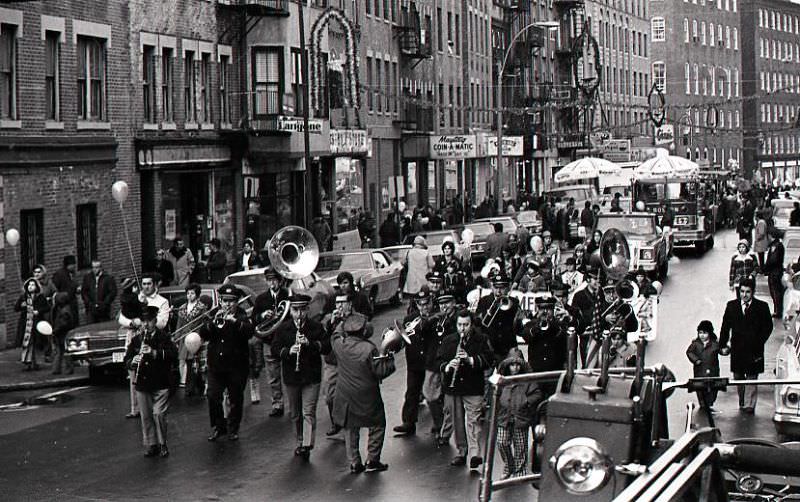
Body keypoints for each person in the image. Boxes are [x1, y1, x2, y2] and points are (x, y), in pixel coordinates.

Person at [332, 313, 395, 473]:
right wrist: (390, 359)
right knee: (377, 424)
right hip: (367, 395)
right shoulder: (369, 348)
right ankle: (372, 460)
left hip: (345, 395)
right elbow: (380, 371)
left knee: (350, 428)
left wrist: (342, 320)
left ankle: (354, 462)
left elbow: (335, 335)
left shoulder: (340, 345)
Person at [271, 294, 329, 461]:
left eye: (302, 310)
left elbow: (326, 346)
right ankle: (299, 441)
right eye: (295, 310)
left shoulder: (316, 327)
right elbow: (275, 348)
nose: (299, 314)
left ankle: (306, 445)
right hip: (292, 376)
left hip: (311, 376)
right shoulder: (283, 328)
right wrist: (288, 351)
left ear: (307, 310)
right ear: (291, 311)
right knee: (295, 413)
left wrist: (310, 344)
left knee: (308, 411)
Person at [437, 310, 494, 469]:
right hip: (453, 388)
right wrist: (447, 366)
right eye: (460, 325)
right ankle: (462, 451)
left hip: (473, 386)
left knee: (474, 419)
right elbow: (438, 361)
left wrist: (470, 360)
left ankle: (475, 453)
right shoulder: (449, 340)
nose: (463, 329)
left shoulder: (481, 339)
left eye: (466, 325)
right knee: (458, 421)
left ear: (471, 324)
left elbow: (490, 359)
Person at [200, 285, 254, 441]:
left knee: (235, 398)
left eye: (231, 302)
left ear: (236, 302)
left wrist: (235, 322)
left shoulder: (242, 316)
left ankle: (233, 428)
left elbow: (249, 332)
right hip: (216, 365)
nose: (227, 305)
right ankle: (219, 426)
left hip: (236, 366)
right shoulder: (213, 314)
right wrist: (212, 323)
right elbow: (203, 334)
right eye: (225, 301)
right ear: (221, 301)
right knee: (212, 395)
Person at [123, 305, 178, 458]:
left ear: (155, 321)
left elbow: (173, 354)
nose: (146, 325)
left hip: (160, 382)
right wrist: (132, 361)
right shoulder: (136, 340)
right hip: (143, 383)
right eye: (143, 321)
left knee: (159, 414)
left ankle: (163, 443)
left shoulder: (164, 337)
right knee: (146, 416)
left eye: (149, 321)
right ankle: (151, 444)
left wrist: (154, 353)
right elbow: (127, 359)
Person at [119, 273, 170, 418]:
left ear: (155, 285)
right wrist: (132, 322)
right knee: (134, 371)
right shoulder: (135, 297)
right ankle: (135, 408)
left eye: (149, 284)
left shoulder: (162, 301)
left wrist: (146, 322)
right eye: (144, 284)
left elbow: (162, 322)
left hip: (152, 340)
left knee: (151, 372)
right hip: (135, 337)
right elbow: (121, 317)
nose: (146, 286)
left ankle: (151, 406)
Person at [719, 278, 773, 413]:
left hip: (754, 350)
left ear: (752, 292)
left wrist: (759, 342)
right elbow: (725, 327)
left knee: (752, 377)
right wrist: (722, 344)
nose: (744, 295)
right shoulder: (731, 306)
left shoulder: (762, 307)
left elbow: (768, 327)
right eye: (742, 291)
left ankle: (749, 405)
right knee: (738, 377)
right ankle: (742, 400)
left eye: (748, 292)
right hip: (737, 349)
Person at [496, 348, 543, 479]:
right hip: (504, 416)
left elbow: (537, 394)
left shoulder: (527, 380)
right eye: (512, 365)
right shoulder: (502, 380)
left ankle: (520, 471)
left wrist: (526, 401)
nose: (515, 368)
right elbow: (494, 394)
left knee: (520, 446)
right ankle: (509, 465)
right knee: (502, 442)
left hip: (521, 416)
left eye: (517, 365)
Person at [251, 267, 290, 417]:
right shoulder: (261, 298)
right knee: (273, 376)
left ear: (280, 281)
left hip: (285, 340)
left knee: (288, 373)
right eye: (269, 280)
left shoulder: (288, 295)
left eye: (274, 280)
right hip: (269, 341)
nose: (272, 283)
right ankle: (277, 404)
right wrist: (262, 315)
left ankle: (292, 402)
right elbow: (254, 319)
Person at [394, 290, 434, 436]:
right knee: (412, 392)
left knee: (433, 395)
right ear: (416, 304)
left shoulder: (437, 317)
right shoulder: (409, 319)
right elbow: (404, 340)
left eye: (427, 304)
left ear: (431, 302)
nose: (424, 307)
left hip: (431, 362)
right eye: (420, 304)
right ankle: (408, 422)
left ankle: (438, 424)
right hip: (414, 361)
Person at [475, 272, 519, 364]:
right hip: (489, 347)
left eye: (502, 288)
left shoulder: (514, 302)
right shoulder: (484, 301)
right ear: (492, 287)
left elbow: (518, 326)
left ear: (507, 288)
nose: (498, 291)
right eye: (496, 287)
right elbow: (478, 324)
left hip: (508, 347)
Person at [175, 284, 209, 394]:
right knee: (187, 361)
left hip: (196, 337)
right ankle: (190, 387)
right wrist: (177, 337)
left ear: (197, 294)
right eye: (188, 293)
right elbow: (179, 324)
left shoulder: (201, 307)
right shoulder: (182, 308)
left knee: (197, 361)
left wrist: (202, 337)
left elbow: (204, 323)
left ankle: (199, 385)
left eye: (192, 293)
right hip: (184, 338)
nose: (190, 295)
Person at [15, 277, 50, 370]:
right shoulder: (24, 297)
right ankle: (28, 362)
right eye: (29, 285)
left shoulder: (40, 297)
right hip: (26, 324)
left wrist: (38, 311)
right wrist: (21, 305)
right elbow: (16, 308)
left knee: (36, 343)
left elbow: (47, 307)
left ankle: (36, 362)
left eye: (33, 285)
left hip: (36, 323)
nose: (31, 287)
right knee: (27, 343)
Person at [686, 320, 721, 411]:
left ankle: (710, 401)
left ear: (709, 333)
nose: (702, 335)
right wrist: (695, 360)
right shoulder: (695, 344)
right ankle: (702, 402)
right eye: (700, 333)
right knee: (700, 386)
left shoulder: (714, 344)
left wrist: (727, 349)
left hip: (713, 370)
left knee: (714, 386)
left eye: (705, 333)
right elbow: (689, 352)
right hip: (699, 370)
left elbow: (722, 351)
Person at [762, 227, 786, 318]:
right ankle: (777, 310)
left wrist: (765, 268)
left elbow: (773, 259)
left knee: (775, 292)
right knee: (776, 292)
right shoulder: (777, 245)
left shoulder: (775, 246)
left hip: (774, 272)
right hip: (776, 271)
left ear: (770, 236)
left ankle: (778, 311)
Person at [51, 292, 75, 375]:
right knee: (62, 351)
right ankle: (58, 369)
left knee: (63, 351)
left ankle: (65, 368)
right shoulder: (64, 309)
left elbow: (63, 324)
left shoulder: (64, 311)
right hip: (62, 334)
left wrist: (55, 331)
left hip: (63, 334)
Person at [52, 255, 80, 328]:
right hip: (64, 305)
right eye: (73, 264)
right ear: (68, 265)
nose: (74, 266)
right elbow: (55, 289)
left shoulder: (72, 274)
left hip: (72, 303)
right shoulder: (59, 274)